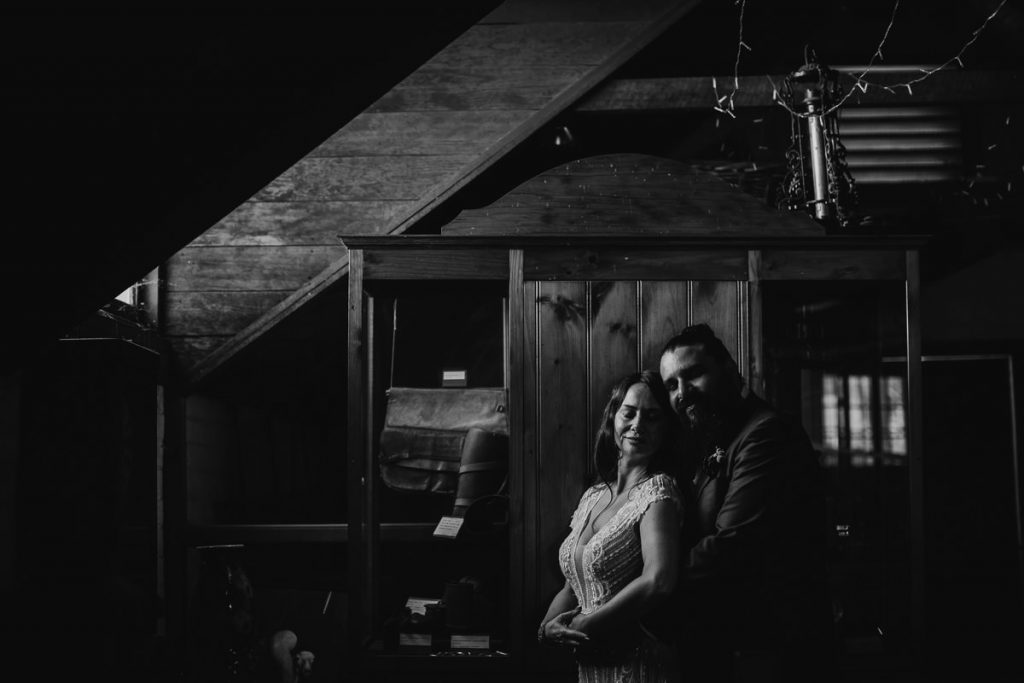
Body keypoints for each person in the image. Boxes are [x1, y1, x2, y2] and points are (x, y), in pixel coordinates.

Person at [652, 323, 834, 682]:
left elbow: (730, 546)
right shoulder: (716, 436)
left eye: (693, 374)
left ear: (730, 369)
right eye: (671, 385)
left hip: (770, 653)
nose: (682, 393)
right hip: (727, 648)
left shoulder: (766, 434)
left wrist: (647, 588)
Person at [537, 370, 684, 682]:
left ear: (666, 429)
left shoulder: (658, 491)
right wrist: (548, 626)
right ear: (613, 417)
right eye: (629, 413)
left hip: (637, 662)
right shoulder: (593, 495)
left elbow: (658, 580)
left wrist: (587, 624)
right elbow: (573, 585)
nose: (637, 425)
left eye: (652, 417)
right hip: (591, 666)